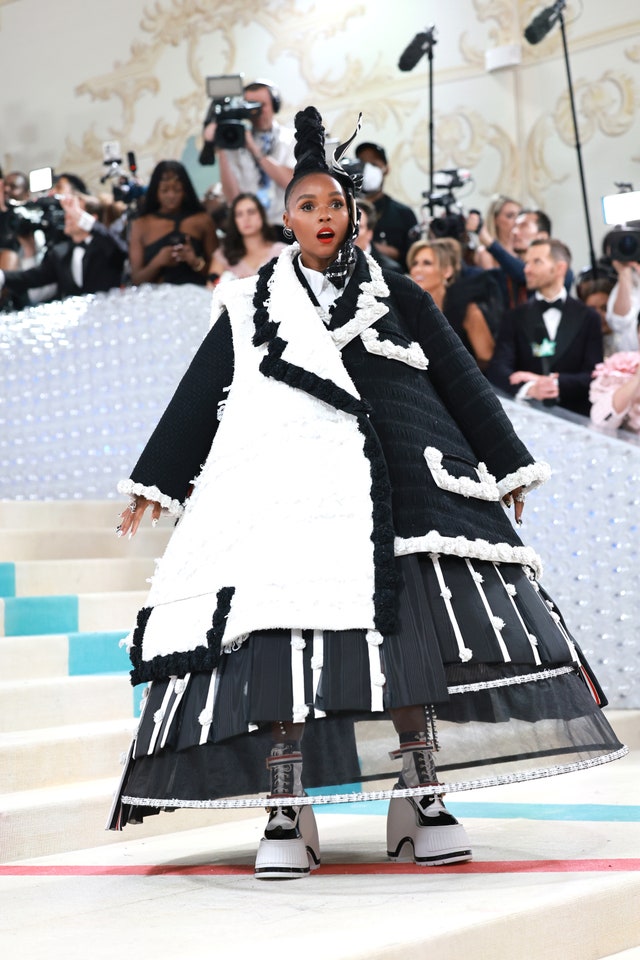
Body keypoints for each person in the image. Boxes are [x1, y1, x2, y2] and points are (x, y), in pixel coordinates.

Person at [109, 107, 623, 880]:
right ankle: (286, 801)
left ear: (354, 214)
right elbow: (201, 391)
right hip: (284, 494)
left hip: (402, 485)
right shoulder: (251, 302)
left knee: (408, 632)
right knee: (275, 642)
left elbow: (459, 379)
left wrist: (507, 463)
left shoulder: (395, 289)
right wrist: (158, 477)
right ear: (285, 216)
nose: (323, 216)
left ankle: (420, 795)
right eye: (308, 204)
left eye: (336, 204)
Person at [486, 239, 603, 416]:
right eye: (526, 262)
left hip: (578, 417)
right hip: (527, 416)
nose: (527, 269)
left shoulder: (588, 317)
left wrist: (554, 383)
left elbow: (594, 375)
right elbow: (498, 369)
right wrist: (530, 388)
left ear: (560, 268)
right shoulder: (514, 317)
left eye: (536, 262)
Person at [201, 80, 295, 236]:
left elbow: (292, 183)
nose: (256, 111)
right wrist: (222, 146)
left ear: (274, 105)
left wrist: (255, 150)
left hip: (287, 226)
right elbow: (232, 198)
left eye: (261, 105)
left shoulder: (292, 138)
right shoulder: (237, 144)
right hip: (255, 232)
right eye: (250, 105)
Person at [0, 190, 127, 302]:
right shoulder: (60, 252)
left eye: (74, 210)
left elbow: (119, 250)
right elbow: (33, 277)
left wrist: (79, 215)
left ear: (90, 217)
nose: (67, 216)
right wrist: (2, 276)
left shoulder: (105, 246)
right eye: (67, 211)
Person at [407, 237, 498, 370]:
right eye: (414, 263)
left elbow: (487, 359)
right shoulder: (407, 308)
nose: (417, 270)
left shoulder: (468, 310)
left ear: (447, 271)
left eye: (427, 263)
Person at [128, 160, 217, 286]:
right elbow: (136, 279)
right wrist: (157, 262)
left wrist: (195, 262)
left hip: (198, 295)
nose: (171, 195)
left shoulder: (202, 221)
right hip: (155, 299)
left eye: (177, 190)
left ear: (185, 191)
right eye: (165, 190)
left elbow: (219, 272)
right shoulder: (141, 225)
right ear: (155, 192)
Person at [354, 141, 418, 267]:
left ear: (386, 169)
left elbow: (412, 258)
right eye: (363, 163)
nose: (368, 169)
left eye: (373, 164)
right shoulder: (346, 211)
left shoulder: (403, 214)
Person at [208, 192, 285, 283]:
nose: (246, 219)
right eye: (239, 214)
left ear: (262, 215)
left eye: (251, 212)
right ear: (234, 220)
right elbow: (211, 289)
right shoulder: (223, 255)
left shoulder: (282, 251)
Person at [474, 195, 521, 270]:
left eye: (519, 216)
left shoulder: (524, 249)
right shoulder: (485, 253)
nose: (516, 221)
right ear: (495, 219)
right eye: (510, 216)